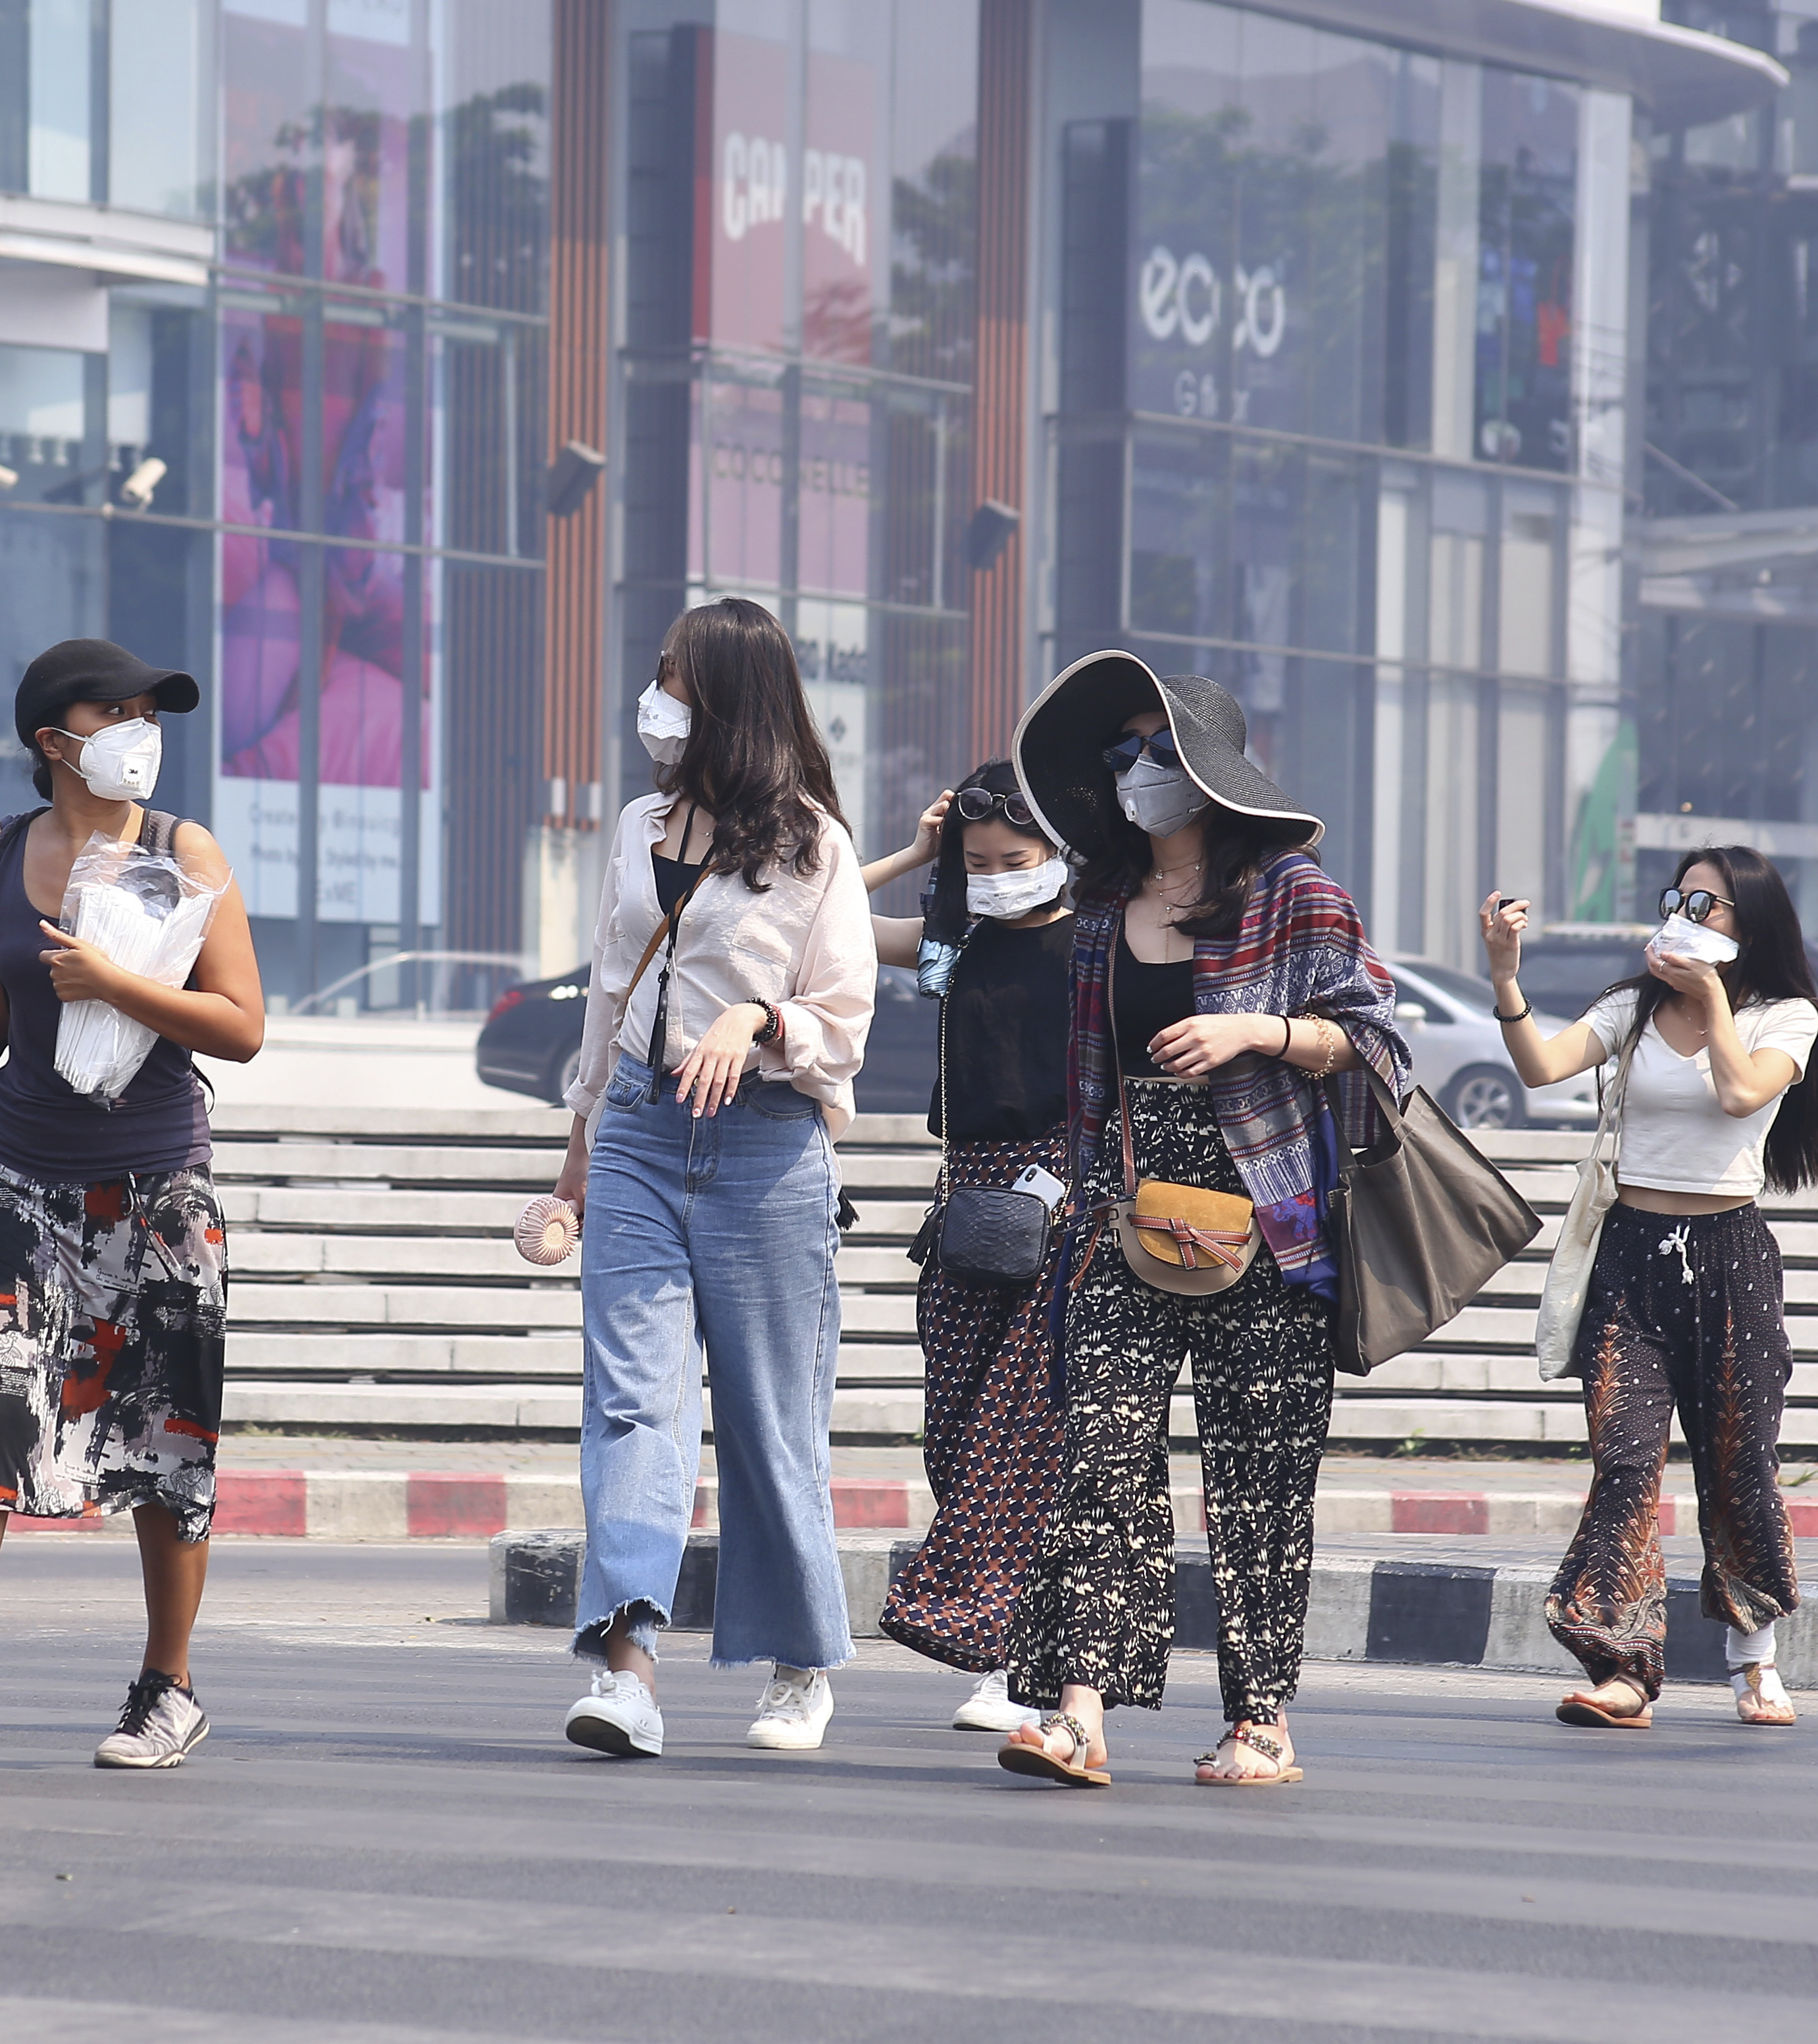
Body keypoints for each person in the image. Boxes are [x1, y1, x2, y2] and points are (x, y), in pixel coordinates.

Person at [0, 637, 264, 1777]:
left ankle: (167, 1687)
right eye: (116, 712)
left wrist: (119, 983)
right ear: (54, 740)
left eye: (150, 713)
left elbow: (241, 1022)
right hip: (15, 1179)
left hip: (156, 1187)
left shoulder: (184, 850)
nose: (141, 731)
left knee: (166, 1441)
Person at [995, 652, 1406, 1788]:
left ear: (1212, 769)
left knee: (1259, 1476)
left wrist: (1258, 1032)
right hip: (1130, 1218)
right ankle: (1077, 1712)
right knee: (1100, 1452)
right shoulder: (1099, 910)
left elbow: (1379, 1045)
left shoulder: (1294, 892)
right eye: (1122, 751)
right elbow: (1088, 1087)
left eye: (1159, 748)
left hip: (1270, 1224)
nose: (1137, 769)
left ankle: (1260, 1719)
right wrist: (1072, 1208)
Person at [548, 597, 877, 1759]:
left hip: (767, 1146)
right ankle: (628, 1669)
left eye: (676, 677)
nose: (657, 697)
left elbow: (847, 1017)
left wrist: (760, 1018)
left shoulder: (815, 846)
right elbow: (608, 991)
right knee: (634, 1402)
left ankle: (798, 1665)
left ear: (730, 697)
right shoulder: (640, 823)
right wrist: (579, 1149)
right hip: (639, 1137)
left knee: (769, 1417)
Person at [1480, 848, 1818, 1728]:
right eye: (1676, 899)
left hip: (1731, 1261)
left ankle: (1754, 1658)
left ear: (1748, 922)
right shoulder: (1633, 1006)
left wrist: (1713, 998)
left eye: (1704, 904)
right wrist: (1504, 976)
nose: (1683, 915)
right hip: (1631, 1259)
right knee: (1623, 1463)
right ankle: (1623, 1665)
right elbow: (1542, 1065)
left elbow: (1741, 1094)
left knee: (1740, 1466)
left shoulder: (1785, 1016)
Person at [860, 762, 1074, 1736]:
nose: (994, 877)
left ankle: (1013, 1659)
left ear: (1058, 850)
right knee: (953, 1428)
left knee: (1017, 1432)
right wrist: (914, 854)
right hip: (968, 1202)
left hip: (1066, 1200)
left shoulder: (1096, 942)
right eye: (977, 862)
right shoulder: (956, 941)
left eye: (1014, 860)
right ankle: (1007, 1640)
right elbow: (819, 920)